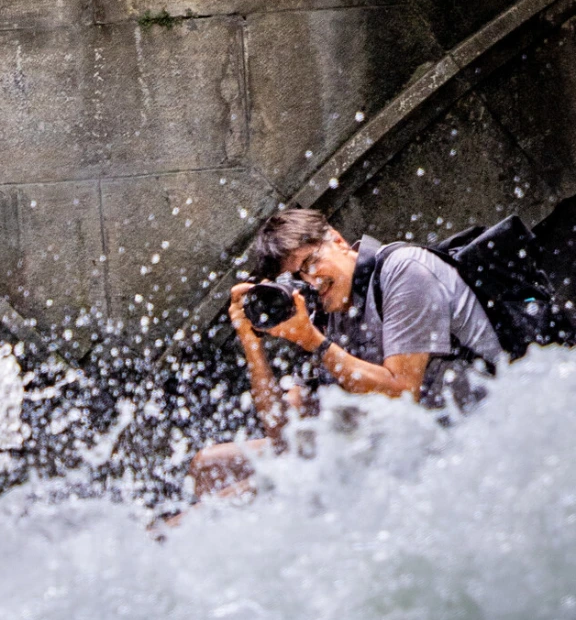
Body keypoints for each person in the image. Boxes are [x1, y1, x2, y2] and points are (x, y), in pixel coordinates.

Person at [190, 207, 503, 497]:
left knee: (228, 505)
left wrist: (315, 342)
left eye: (311, 263)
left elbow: (403, 393)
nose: (312, 281)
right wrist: (252, 343)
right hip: (390, 445)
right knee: (207, 464)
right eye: (298, 279)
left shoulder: (404, 270)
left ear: (337, 240)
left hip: (466, 437)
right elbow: (283, 434)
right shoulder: (322, 315)